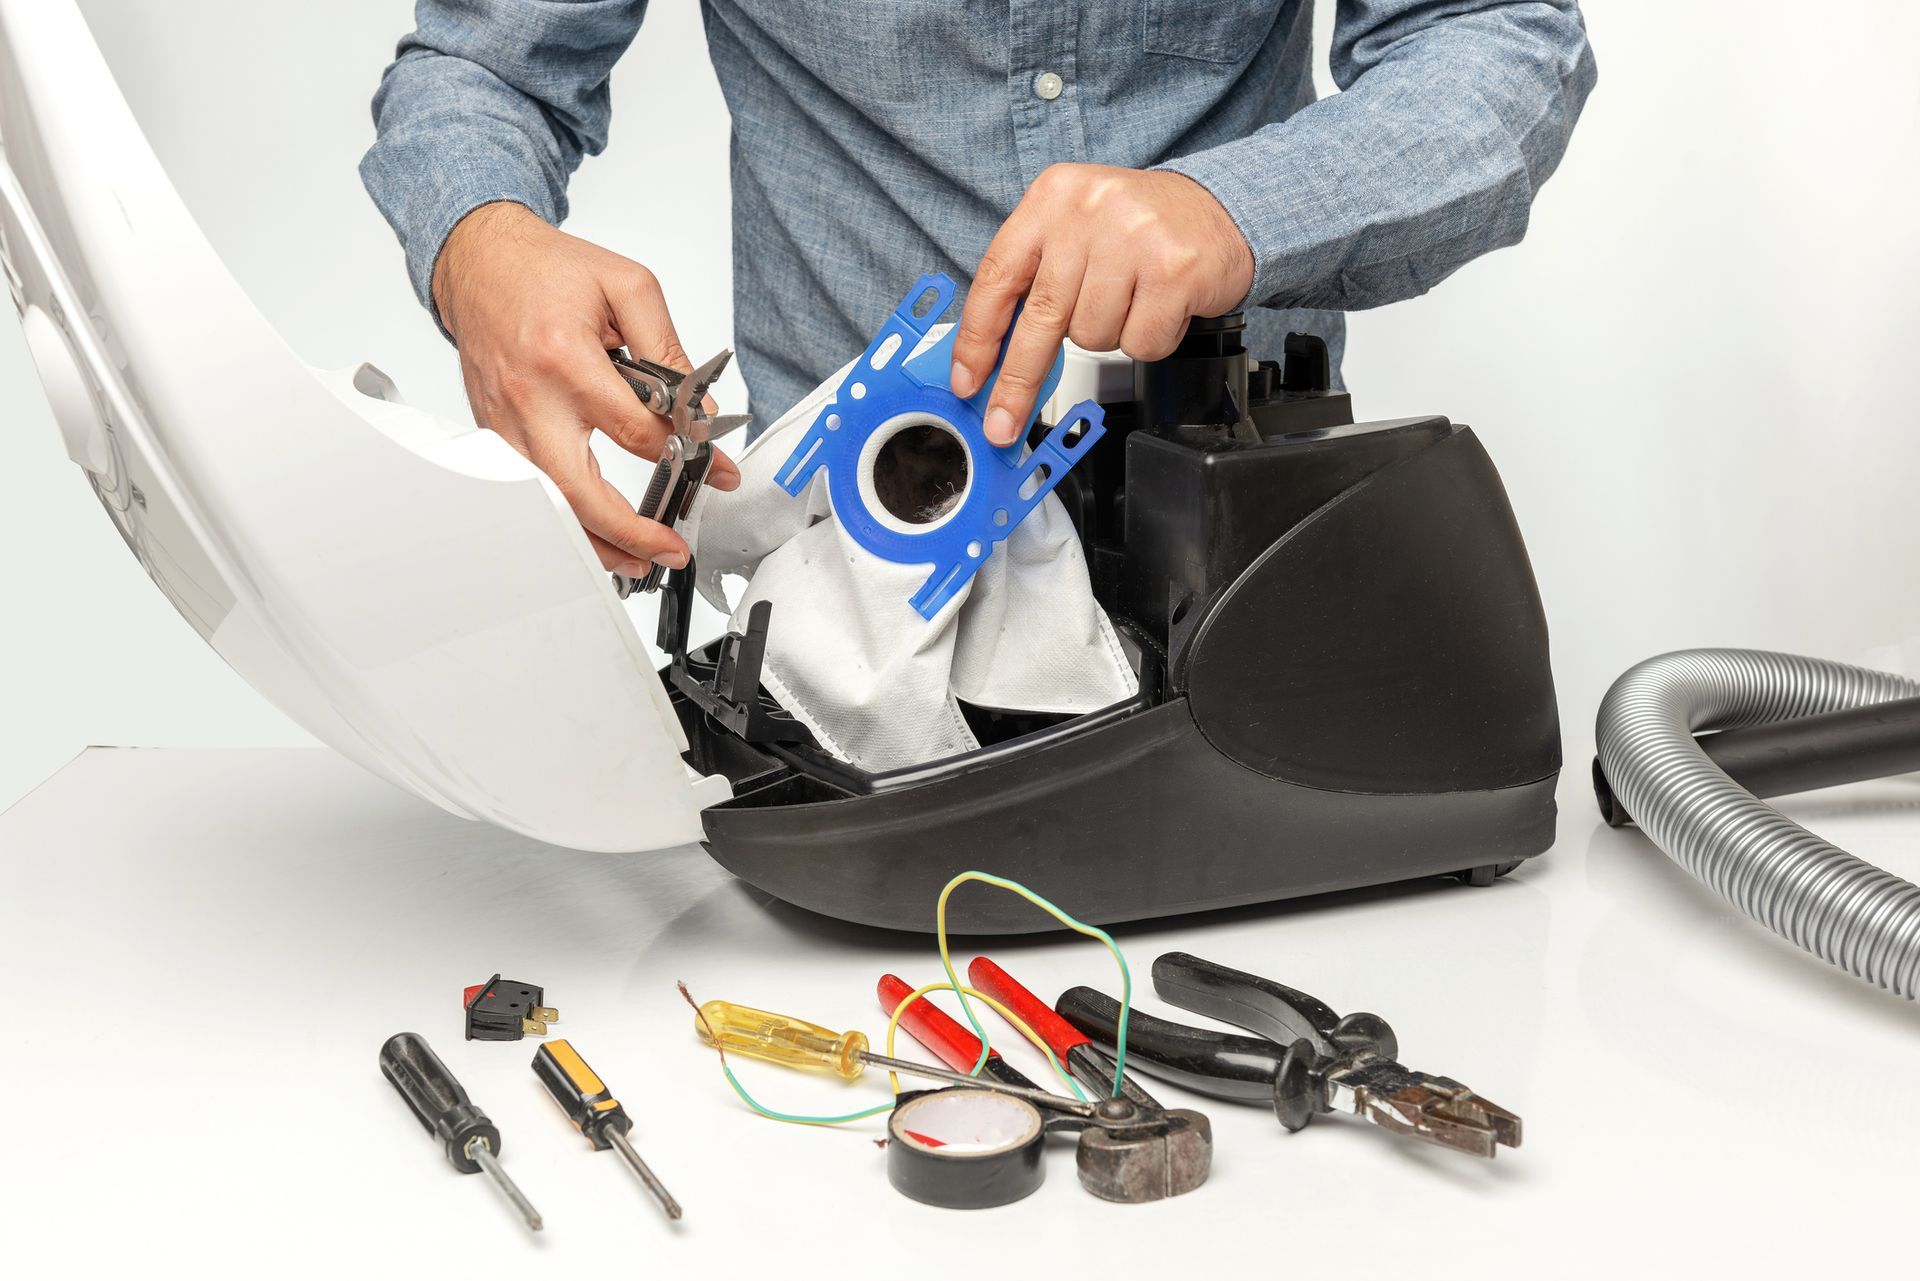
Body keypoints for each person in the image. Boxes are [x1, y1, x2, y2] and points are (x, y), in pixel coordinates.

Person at [362, 1, 1595, 582]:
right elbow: (482, 66)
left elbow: (1496, 43)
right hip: (839, 588)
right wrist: (481, 242)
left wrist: (1237, 209)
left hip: (1235, 566)